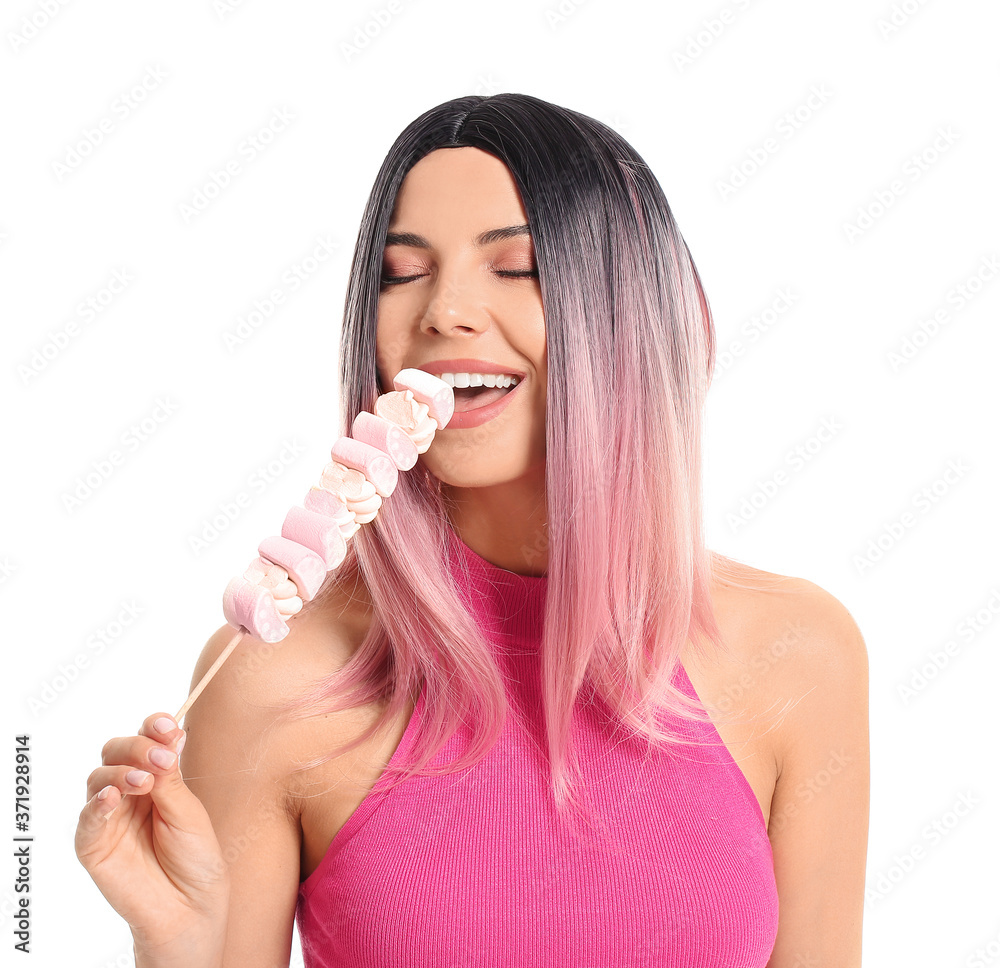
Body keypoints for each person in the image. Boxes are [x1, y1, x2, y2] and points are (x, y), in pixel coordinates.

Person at [76, 93, 870, 967]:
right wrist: (176, 942)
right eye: (402, 273)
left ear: (629, 315)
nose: (443, 312)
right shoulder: (275, 681)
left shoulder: (801, 655)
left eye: (517, 266)